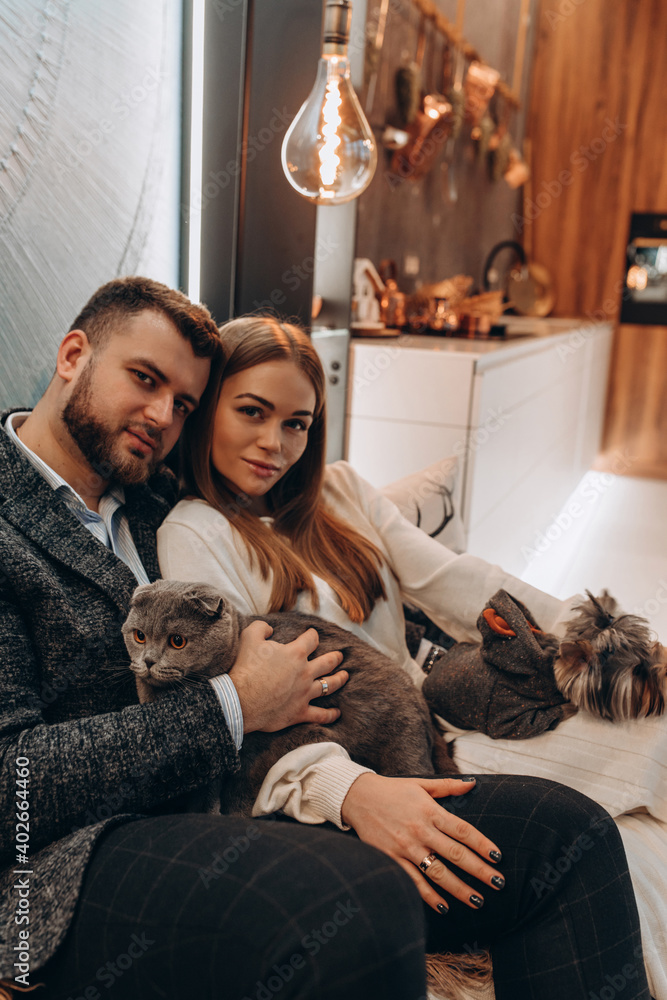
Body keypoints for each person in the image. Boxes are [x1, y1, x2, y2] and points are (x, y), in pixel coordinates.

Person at [157, 315, 653, 1000]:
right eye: (251, 412)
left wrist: (601, 635)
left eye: (296, 423)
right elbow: (241, 715)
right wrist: (350, 792)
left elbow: (460, 582)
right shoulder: (193, 534)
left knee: (652, 734)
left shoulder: (338, 492)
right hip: (375, 765)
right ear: (210, 406)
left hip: (446, 717)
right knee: (617, 820)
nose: (274, 444)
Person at [0, 278, 439, 1000]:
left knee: (559, 832)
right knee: (357, 899)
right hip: (64, 865)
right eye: (144, 379)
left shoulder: (155, 492)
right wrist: (232, 705)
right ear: (74, 355)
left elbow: (293, 526)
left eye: (182, 404)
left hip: (238, 793)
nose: (160, 415)